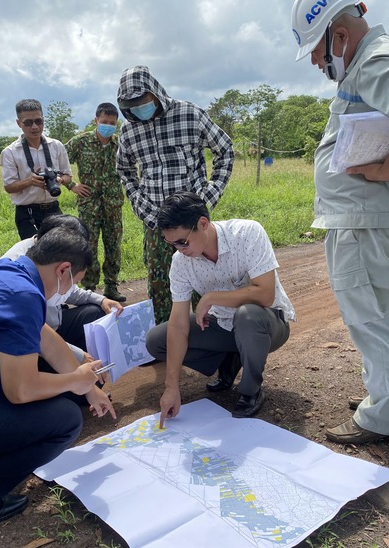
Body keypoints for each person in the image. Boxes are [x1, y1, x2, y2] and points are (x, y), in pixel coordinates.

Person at [290, 0, 389, 444]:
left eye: (319, 55)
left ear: (339, 36)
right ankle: (387, 397)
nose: (316, 63)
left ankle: (380, 418)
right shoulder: (381, 55)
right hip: (386, 216)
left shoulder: (376, 59)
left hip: (370, 221)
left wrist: (386, 167)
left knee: (375, 317)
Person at [0, 226, 116, 525]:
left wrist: (88, 387)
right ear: (63, 269)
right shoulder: (23, 294)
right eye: (72, 284)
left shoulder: (6, 272)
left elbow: (44, 337)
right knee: (64, 419)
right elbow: (21, 390)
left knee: (59, 398)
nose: (65, 293)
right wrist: (75, 380)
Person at [146, 191, 295, 423]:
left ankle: (251, 391)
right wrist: (171, 387)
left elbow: (265, 295)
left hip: (267, 322)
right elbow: (178, 324)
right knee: (156, 340)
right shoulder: (181, 262)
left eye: (182, 242)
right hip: (224, 326)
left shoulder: (247, 234)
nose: (179, 250)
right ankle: (230, 357)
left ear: (203, 224)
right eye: (171, 244)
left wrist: (213, 297)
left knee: (247, 316)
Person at [116, 65, 234, 325]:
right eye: (130, 105)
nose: (137, 109)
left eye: (142, 102)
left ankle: (210, 339)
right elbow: (124, 170)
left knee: (202, 279)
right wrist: (139, 203)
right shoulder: (128, 131)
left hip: (191, 221)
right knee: (160, 284)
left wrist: (208, 196)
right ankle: (167, 340)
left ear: (155, 93)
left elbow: (225, 150)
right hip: (155, 222)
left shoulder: (189, 115)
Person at [1, 214, 124, 363]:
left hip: (51, 326)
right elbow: (34, 333)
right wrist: (77, 356)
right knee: (79, 365)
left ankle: (85, 378)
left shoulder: (46, 258)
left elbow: (69, 289)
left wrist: (102, 300)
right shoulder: (20, 276)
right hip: (29, 342)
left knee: (94, 312)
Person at [65, 102, 126, 302]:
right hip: (89, 205)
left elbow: (130, 169)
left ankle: (111, 286)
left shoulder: (120, 144)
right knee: (88, 246)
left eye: (112, 123)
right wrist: (72, 184)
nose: (108, 126)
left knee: (113, 246)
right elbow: (57, 162)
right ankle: (89, 288)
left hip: (113, 205)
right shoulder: (80, 142)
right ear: (96, 121)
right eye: (104, 122)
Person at [1, 99, 74, 239]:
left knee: (58, 251)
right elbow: (9, 187)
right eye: (28, 123)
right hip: (27, 212)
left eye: (38, 121)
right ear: (18, 123)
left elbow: (68, 176)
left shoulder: (56, 145)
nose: (34, 127)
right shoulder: (10, 151)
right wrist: (30, 181)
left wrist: (59, 180)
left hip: (53, 208)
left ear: (43, 120)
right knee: (33, 254)